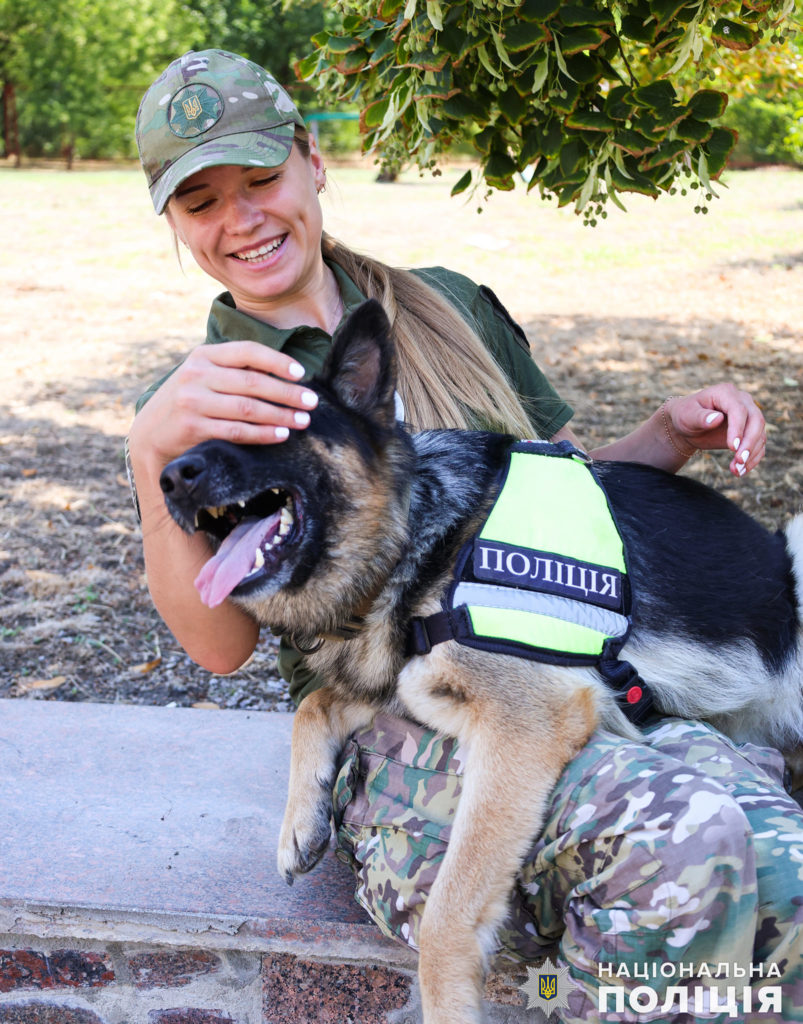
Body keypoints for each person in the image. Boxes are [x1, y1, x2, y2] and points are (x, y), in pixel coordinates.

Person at [129, 50, 803, 1022]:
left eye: (259, 177)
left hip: (588, 667)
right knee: (685, 844)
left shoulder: (446, 303)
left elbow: (567, 500)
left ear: (311, 161)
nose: (241, 218)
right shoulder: (200, 400)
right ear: (175, 223)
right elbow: (217, 643)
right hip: (409, 724)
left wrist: (666, 436)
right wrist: (149, 453)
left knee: (781, 884)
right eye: (200, 201)